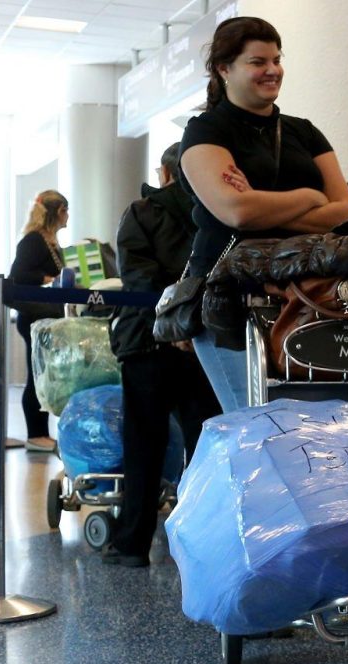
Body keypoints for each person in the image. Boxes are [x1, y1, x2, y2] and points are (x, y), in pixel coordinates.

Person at [179, 16, 348, 413]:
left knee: (308, 423)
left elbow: (344, 211)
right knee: (256, 424)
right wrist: (311, 196)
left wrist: (263, 203)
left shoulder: (304, 132)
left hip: (307, 295)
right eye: (258, 62)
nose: (272, 70)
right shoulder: (206, 131)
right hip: (231, 299)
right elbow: (237, 212)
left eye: (277, 59)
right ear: (224, 68)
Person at [106, 144, 222, 568]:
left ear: (165, 173)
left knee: (144, 445)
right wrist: (190, 326)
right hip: (204, 345)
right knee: (205, 445)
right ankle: (204, 539)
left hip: (147, 343)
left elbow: (137, 278)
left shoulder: (141, 212)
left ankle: (132, 543)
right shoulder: (216, 214)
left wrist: (168, 321)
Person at [7, 190, 69, 452]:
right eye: (66, 210)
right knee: (36, 376)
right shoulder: (34, 240)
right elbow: (18, 275)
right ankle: (35, 434)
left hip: (46, 316)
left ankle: (40, 432)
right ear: (58, 212)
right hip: (33, 316)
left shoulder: (48, 240)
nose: (68, 216)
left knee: (43, 375)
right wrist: (47, 280)